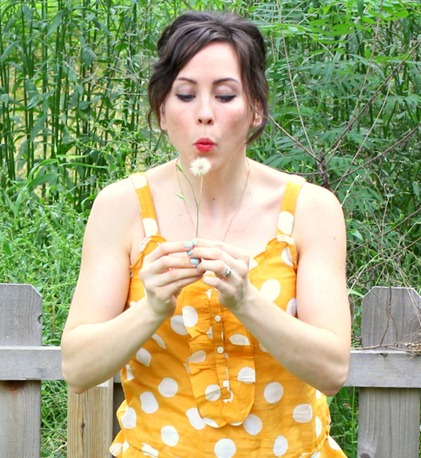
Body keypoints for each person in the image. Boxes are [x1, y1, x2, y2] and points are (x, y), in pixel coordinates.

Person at [61, 10, 351, 458]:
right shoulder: (122, 207)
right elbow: (78, 369)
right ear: (161, 110)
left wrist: (247, 301)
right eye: (185, 94)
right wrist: (152, 307)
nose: (204, 114)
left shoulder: (311, 209)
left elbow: (332, 370)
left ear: (256, 108)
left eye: (225, 95)